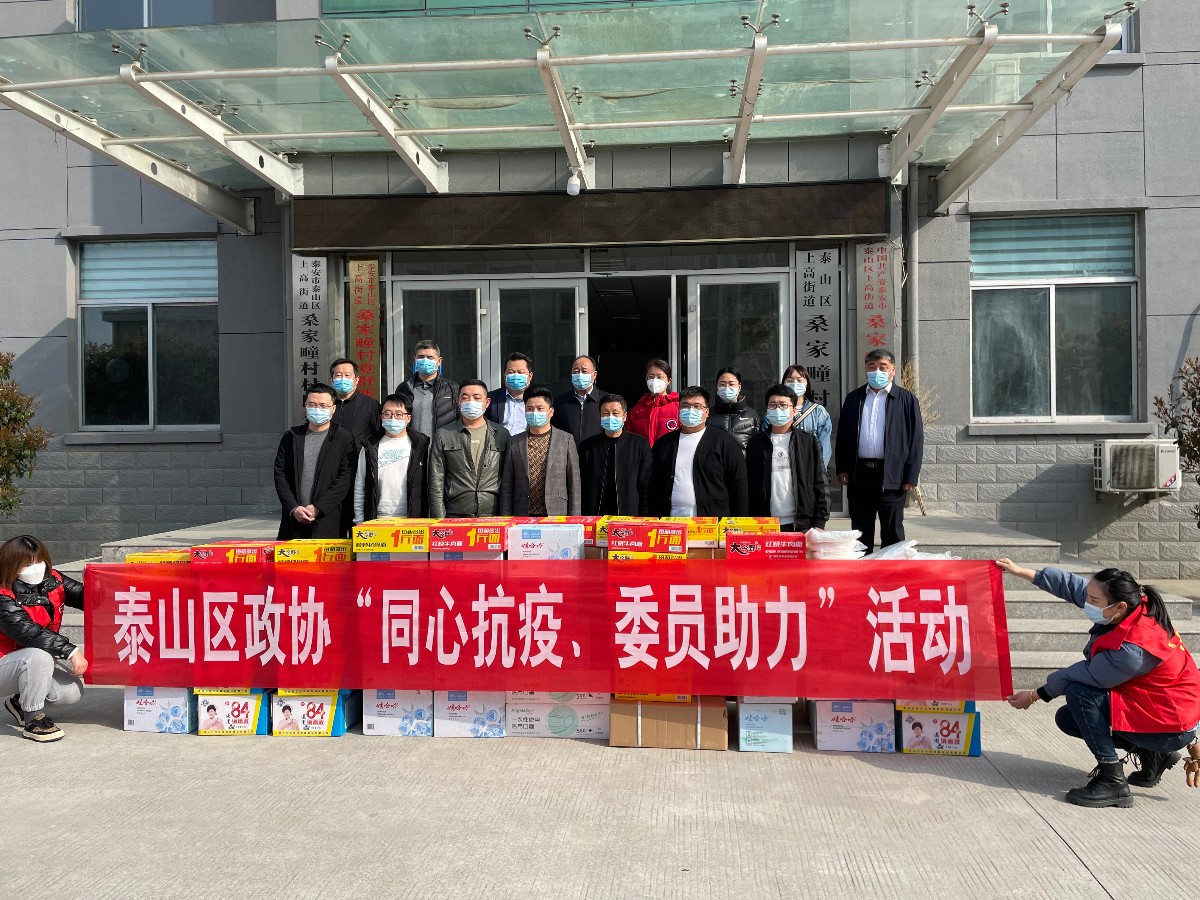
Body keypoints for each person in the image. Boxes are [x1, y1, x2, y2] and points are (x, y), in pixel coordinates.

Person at [998, 558, 1200, 807]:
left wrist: (1034, 695)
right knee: (1069, 717)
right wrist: (1021, 572)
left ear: (1119, 606)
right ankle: (1153, 755)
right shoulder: (1133, 606)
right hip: (1161, 708)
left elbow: (1084, 674)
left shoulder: (1133, 649)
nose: (1087, 602)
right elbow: (1071, 585)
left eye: (1093, 600)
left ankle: (1112, 780)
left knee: (1079, 694)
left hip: (1170, 725)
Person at [0, 535, 87, 743]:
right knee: (38, 656)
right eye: (26, 564)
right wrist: (71, 651)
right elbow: (30, 632)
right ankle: (33, 720)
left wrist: (96, 581)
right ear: (11, 566)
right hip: (5, 663)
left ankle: (20, 703)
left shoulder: (53, 580)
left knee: (70, 692)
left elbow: (86, 597)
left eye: (39, 561)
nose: (36, 568)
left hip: (29, 662)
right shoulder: (3, 595)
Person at [834, 349, 923, 550]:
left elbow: (916, 440)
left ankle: (891, 568)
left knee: (892, 530)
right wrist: (843, 467)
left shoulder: (906, 399)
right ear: (865, 369)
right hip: (860, 473)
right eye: (872, 367)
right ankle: (863, 567)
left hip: (892, 474)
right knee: (860, 531)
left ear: (893, 370)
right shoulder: (853, 398)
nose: (877, 371)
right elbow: (843, 436)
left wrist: (911, 475)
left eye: (883, 367)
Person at [273, 382, 357, 539]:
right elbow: (280, 474)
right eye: (312, 404)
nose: (317, 409)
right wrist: (293, 507)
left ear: (333, 409)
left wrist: (318, 508)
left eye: (323, 406)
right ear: (306, 406)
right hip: (294, 521)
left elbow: (345, 478)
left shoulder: (343, 439)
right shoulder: (292, 437)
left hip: (329, 520)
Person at [649, 386, 749, 517]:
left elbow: (739, 486)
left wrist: (738, 522)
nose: (690, 410)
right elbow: (653, 485)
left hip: (711, 521)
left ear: (707, 412)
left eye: (697, 406)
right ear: (678, 410)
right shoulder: (664, 444)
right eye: (685, 406)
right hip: (671, 521)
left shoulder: (723, 442)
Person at [746, 385, 829, 532]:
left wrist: (820, 521)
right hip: (764, 523)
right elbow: (749, 483)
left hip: (801, 524)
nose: (777, 409)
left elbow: (820, 482)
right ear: (767, 409)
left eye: (783, 405)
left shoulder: (808, 442)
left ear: (794, 410)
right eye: (773, 405)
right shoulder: (756, 443)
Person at [429, 380, 510, 518]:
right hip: (456, 513)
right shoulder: (444, 434)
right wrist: (439, 519)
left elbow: (507, 480)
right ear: (458, 402)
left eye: (477, 398)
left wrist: (506, 516)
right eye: (465, 397)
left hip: (492, 514)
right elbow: (436, 480)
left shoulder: (502, 434)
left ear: (487, 402)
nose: (471, 402)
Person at [499, 386, 581, 516]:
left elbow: (574, 483)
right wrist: (506, 517)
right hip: (522, 513)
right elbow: (507, 485)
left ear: (551, 411)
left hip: (556, 513)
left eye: (540, 408)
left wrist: (574, 519)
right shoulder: (515, 442)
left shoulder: (566, 440)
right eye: (530, 409)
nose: (534, 413)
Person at [353, 394, 429, 524]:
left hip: (411, 518)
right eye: (387, 414)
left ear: (408, 418)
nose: (393, 418)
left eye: (399, 414)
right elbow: (360, 485)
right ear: (381, 417)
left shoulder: (420, 445)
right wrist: (359, 520)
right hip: (377, 518)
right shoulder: (370, 446)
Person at [580, 394, 653, 516]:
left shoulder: (639, 445)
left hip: (629, 515)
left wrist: (644, 516)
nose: (610, 417)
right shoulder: (588, 446)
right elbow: (582, 484)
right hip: (596, 515)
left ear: (625, 416)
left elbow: (645, 484)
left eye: (615, 413)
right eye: (605, 413)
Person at [395, 339, 459, 440]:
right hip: (411, 446)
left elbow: (459, 420)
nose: (425, 360)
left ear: (439, 361)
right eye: (421, 357)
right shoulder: (404, 388)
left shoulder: (452, 389)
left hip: (442, 447)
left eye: (430, 357)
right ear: (415, 359)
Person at [781, 364, 832, 469]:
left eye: (799, 380)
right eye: (790, 380)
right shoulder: (775, 411)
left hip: (809, 471)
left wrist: (818, 473)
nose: (795, 384)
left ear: (807, 383)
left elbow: (824, 449)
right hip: (782, 470)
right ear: (784, 383)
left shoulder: (818, 412)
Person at [328, 357, 381, 449]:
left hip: (359, 457)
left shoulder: (370, 404)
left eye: (347, 375)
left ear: (356, 379)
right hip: (330, 456)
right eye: (338, 375)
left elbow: (379, 435)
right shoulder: (326, 404)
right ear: (332, 380)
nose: (343, 379)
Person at [627, 358, 680, 448]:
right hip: (644, 456)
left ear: (668, 381)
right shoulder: (636, 411)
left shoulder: (679, 407)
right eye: (651, 377)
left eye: (659, 377)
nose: (655, 380)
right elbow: (629, 440)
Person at [552, 355, 603, 445]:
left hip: (596, 452)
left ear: (594, 375)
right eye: (576, 371)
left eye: (584, 371)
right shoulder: (560, 402)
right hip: (568, 453)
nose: (580, 375)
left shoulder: (605, 401)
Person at [709, 366, 758, 452]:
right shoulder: (708, 415)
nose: (727, 388)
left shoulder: (752, 415)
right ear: (717, 386)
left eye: (731, 384)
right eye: (722, 384)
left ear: (739, 387)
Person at [487, 351, 534, 437]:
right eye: (511, 372)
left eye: (521, 372)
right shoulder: (491, 398)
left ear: (530, 376)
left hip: (526, 444)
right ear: (504, 375)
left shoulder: (537, 400)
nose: (516, 376)